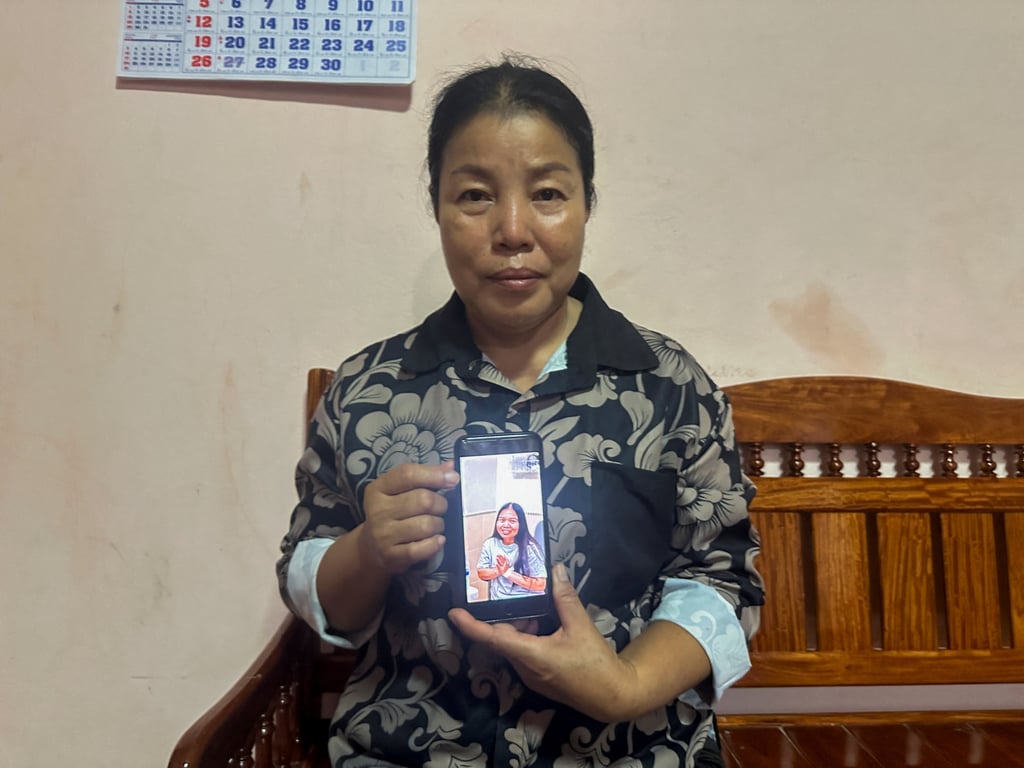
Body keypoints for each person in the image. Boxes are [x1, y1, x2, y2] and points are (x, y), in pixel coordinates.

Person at [278, 55, 764, 767]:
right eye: (475, 195)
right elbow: (317, 583)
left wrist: (626, 685)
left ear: (586, 203)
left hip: (629, 748)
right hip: (413, 748)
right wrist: (367, 550)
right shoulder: (366, 390)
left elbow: (721, 580)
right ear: (437, 206)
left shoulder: (669, 386)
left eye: (547, 193)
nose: (512, 230)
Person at [476, 502, 546, 598]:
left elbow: (541, 585)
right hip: (499, 603)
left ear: (520, 524)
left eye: (512, 521)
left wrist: (508, 572)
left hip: (527, 601)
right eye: (502, 520)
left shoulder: (530, 547)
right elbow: (481, 573)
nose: (506, 525)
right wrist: (498, 571)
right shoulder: (490, 544)